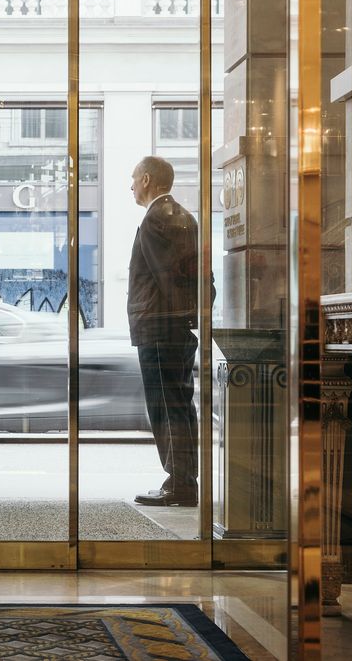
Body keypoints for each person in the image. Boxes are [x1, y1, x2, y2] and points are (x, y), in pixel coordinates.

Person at [127, 155, 203, 507]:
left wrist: (176, 314)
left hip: (159, 327)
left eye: (133, 179)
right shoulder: (186, 217)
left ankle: (180, 483)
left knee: (166, 406)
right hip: (176, 327)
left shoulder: (156, 219)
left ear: (147, 179)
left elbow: (167, 276)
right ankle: (185, 480)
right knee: (181, 404)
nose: (130, 186)